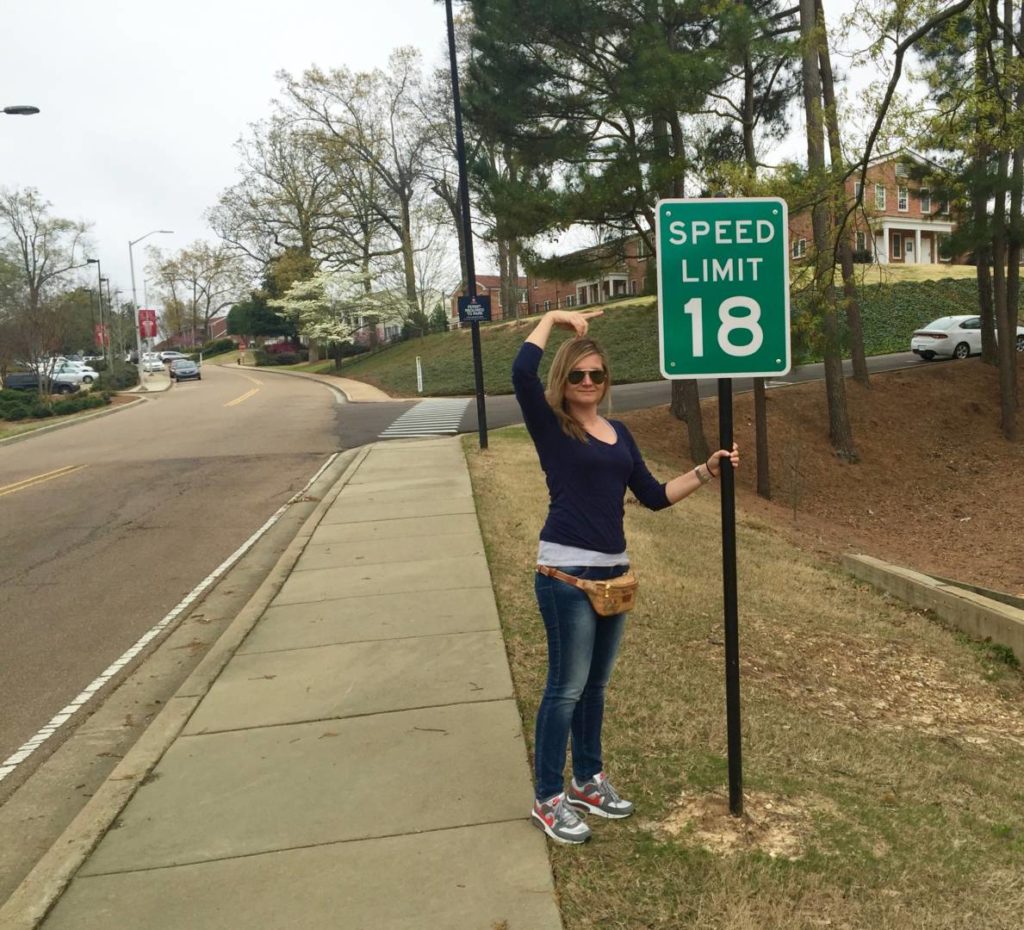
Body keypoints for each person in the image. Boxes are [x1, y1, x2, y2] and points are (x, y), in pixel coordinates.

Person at [512, 308, 740, 845]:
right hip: (565, 574)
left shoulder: (620, 434)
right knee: (564, 689)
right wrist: (550, 317)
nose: (588, 383)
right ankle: (548, 798)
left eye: (596, 375)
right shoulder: (552, 427)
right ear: (563, 382)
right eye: (577, 375)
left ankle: (587, 781)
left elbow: (655, 497)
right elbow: (521, 373)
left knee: (595, 687)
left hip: (615, 578)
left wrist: (706, 470)